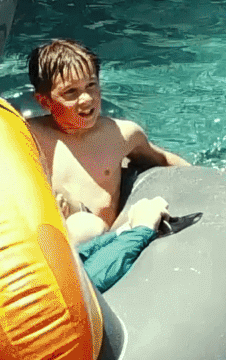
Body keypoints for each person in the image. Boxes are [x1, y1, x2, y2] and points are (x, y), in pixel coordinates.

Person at [25, 39, 180, 244]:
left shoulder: (121, 135)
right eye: (71, 92)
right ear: (45, 101)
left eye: (91, 85)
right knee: (82, 226)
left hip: (109, 240)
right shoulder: (29, 138)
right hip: (61, 246)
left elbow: (163, 160)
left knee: (89, 227)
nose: (86, 98)